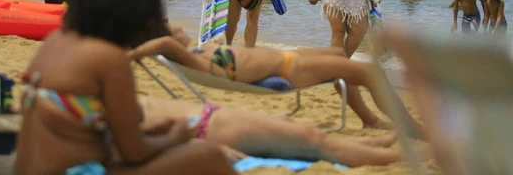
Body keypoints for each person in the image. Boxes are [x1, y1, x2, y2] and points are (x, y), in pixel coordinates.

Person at [15, 0, 236, 175]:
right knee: (209, 156)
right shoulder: (108, 58)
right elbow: (134, 152)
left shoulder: (56, 41)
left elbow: (76, 130)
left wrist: (149, 134)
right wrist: (175, 137)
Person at [129, 28, 423, 134]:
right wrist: (130, 53)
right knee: (371, 72)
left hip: (290, 58)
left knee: (337, 53)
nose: (178, 26)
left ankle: (369, 119)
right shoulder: (193, 58)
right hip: (290, 69)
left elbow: (165, 39)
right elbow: (162, 43)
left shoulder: (197, 51)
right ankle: (410, 127)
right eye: (171, 28)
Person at [140, 95, 411, 167]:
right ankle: (402, 157)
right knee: (313, 139)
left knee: (292, 125)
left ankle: (372, 146)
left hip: (204, 123)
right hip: (203, 127)